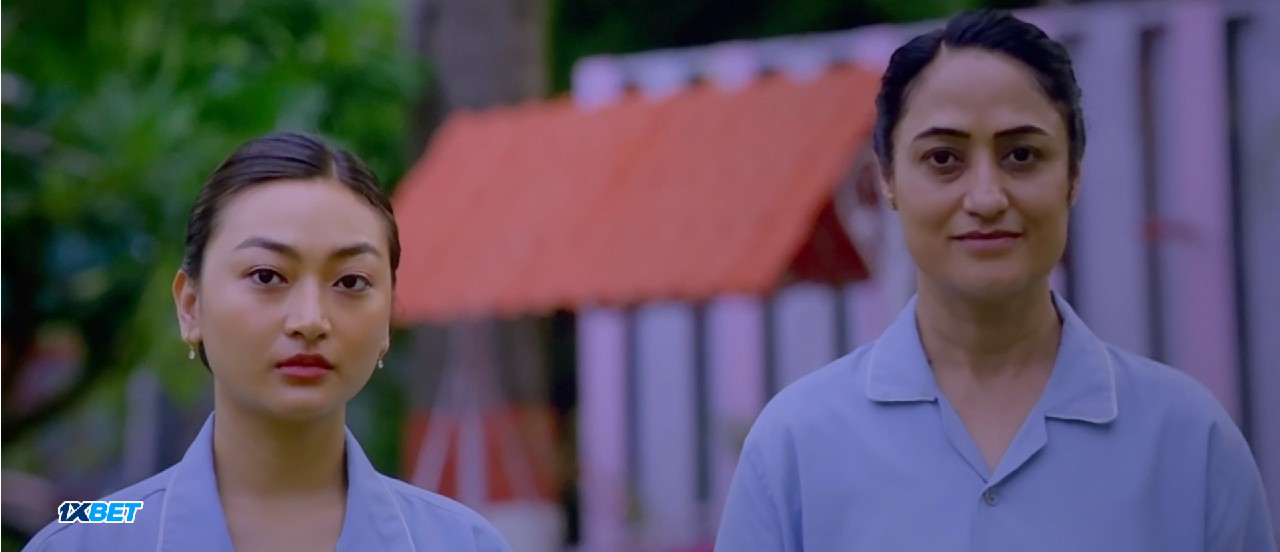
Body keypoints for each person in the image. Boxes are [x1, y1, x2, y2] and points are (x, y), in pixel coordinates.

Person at [714, 10, 1276, 552]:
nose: (986, 198)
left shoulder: (1188, 440)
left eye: (1021, 155)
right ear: (887, 179)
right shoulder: (795, 445)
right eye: (943, 158)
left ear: (1073, 174)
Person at [24, 133, 514, 552]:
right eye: (266, 275)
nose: (310, 320)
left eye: (350, 282)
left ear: (387, 316)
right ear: (191, 305)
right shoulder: (86, 541)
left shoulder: (462, 543)